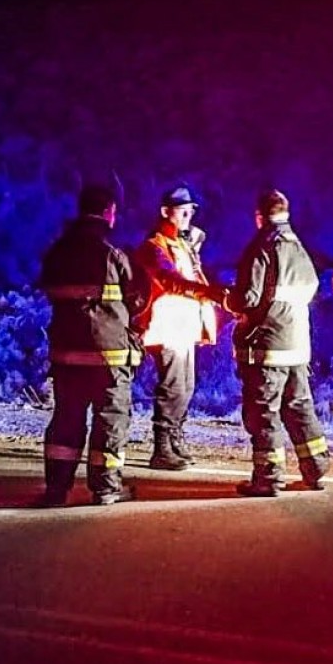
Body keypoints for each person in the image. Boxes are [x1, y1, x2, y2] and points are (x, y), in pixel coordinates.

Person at [36, 184, 146, 506]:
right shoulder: (113, 254)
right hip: (108, 357)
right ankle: (106, 489)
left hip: (67, 355)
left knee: (67, 419)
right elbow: (137, 298)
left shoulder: (58, 252)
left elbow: (48, 289)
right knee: (110, 417)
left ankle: (57, 488)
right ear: (110, 211)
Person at [223, 189, 328, 497]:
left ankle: (268, 478)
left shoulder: (261, 247)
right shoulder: (298, 247)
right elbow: (311, 288)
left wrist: (228, 299)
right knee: (299, 406)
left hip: (266, 345)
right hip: (296, 344)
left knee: (263, 411)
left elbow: (248, 298)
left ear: (259, 217)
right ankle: (316, 470)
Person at [133, 184, 221, 470]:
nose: (187, 216)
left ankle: (174, 440)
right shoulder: (154, 246)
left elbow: (191, 276)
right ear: (165, 212)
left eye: (190, 211)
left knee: (186, 386)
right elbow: (170, 279)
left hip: (184, 327)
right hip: (165, 327)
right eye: (182, 211)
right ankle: (162, 447)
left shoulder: (182, 245)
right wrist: (210, 293)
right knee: (172, 386)